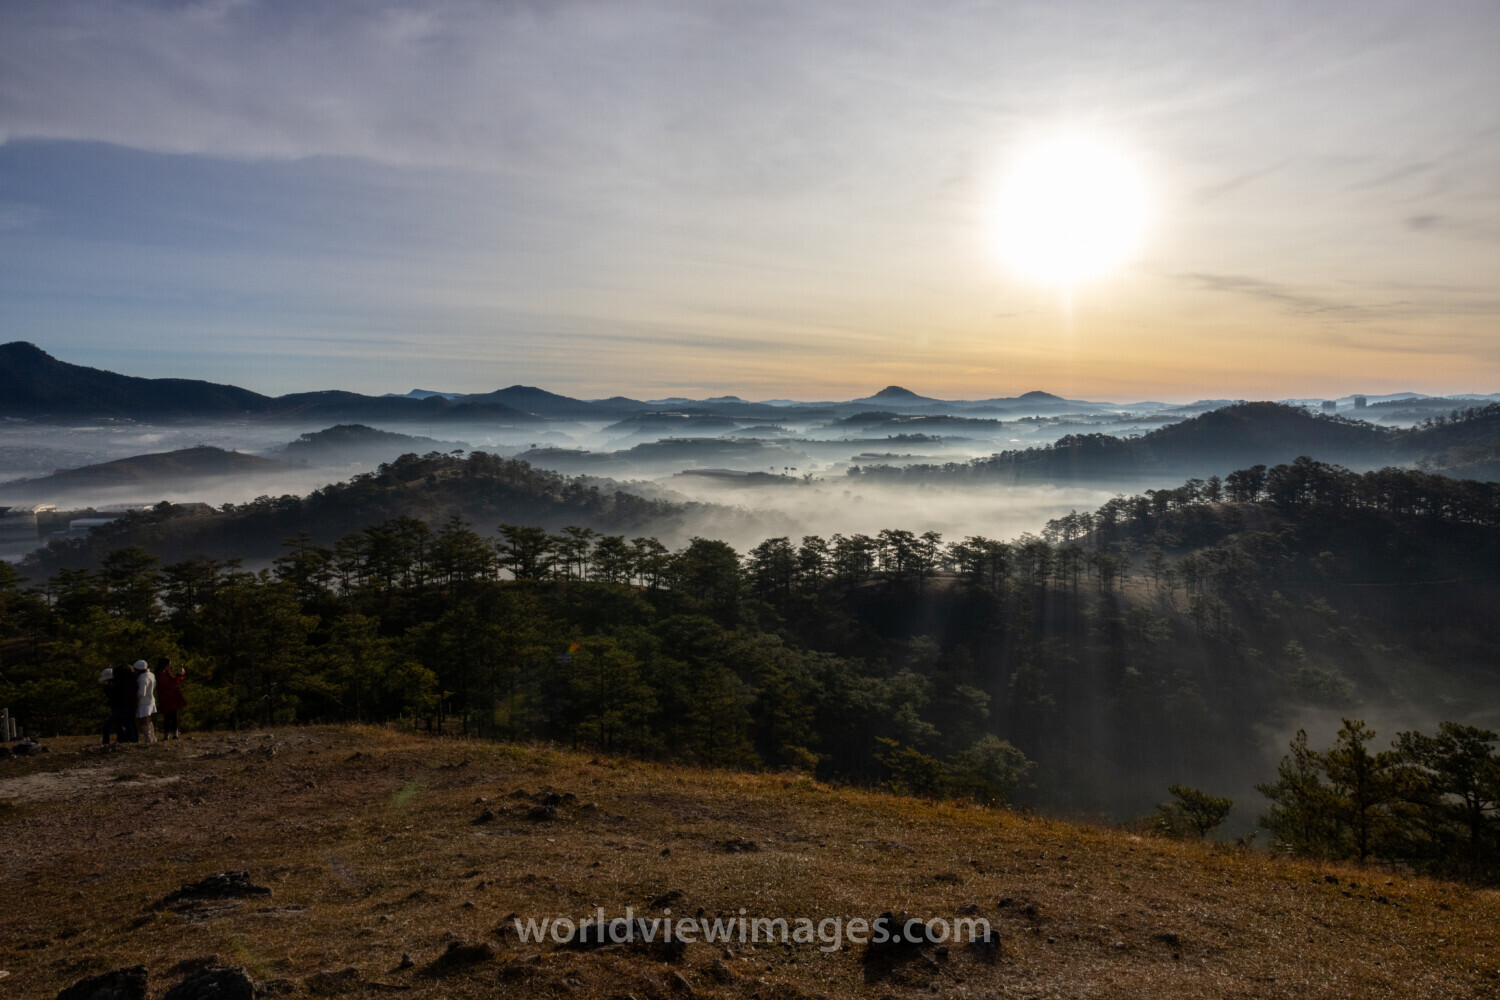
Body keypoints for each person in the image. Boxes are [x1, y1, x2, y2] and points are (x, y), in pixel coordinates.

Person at [156, 657, 186, 740]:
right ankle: (169, 734)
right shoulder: (162, 675)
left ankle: (172, 734)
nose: (170, 666)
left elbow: (173, 683)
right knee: (168, 717)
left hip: (169, 698)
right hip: (167, 699)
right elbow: (171, 685)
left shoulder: (165, 673)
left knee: (171, 717)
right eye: (169, 665)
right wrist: (179, 675)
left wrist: (180, 675)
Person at [110, 664, 139, 743]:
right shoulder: (134, 679)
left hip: (125, 704)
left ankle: (130, 739)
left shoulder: (121, 682)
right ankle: (134, 739)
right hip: (133, 703)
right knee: (131, 723)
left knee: (128, 723)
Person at [134, 659, 157, 744]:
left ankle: (148, 738)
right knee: (148, 720)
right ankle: (152, 737)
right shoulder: (151, 675)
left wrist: (136, 699)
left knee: (144, 721)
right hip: (150, 700)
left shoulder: (142, 678)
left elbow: (141, 693)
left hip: (144, 702)